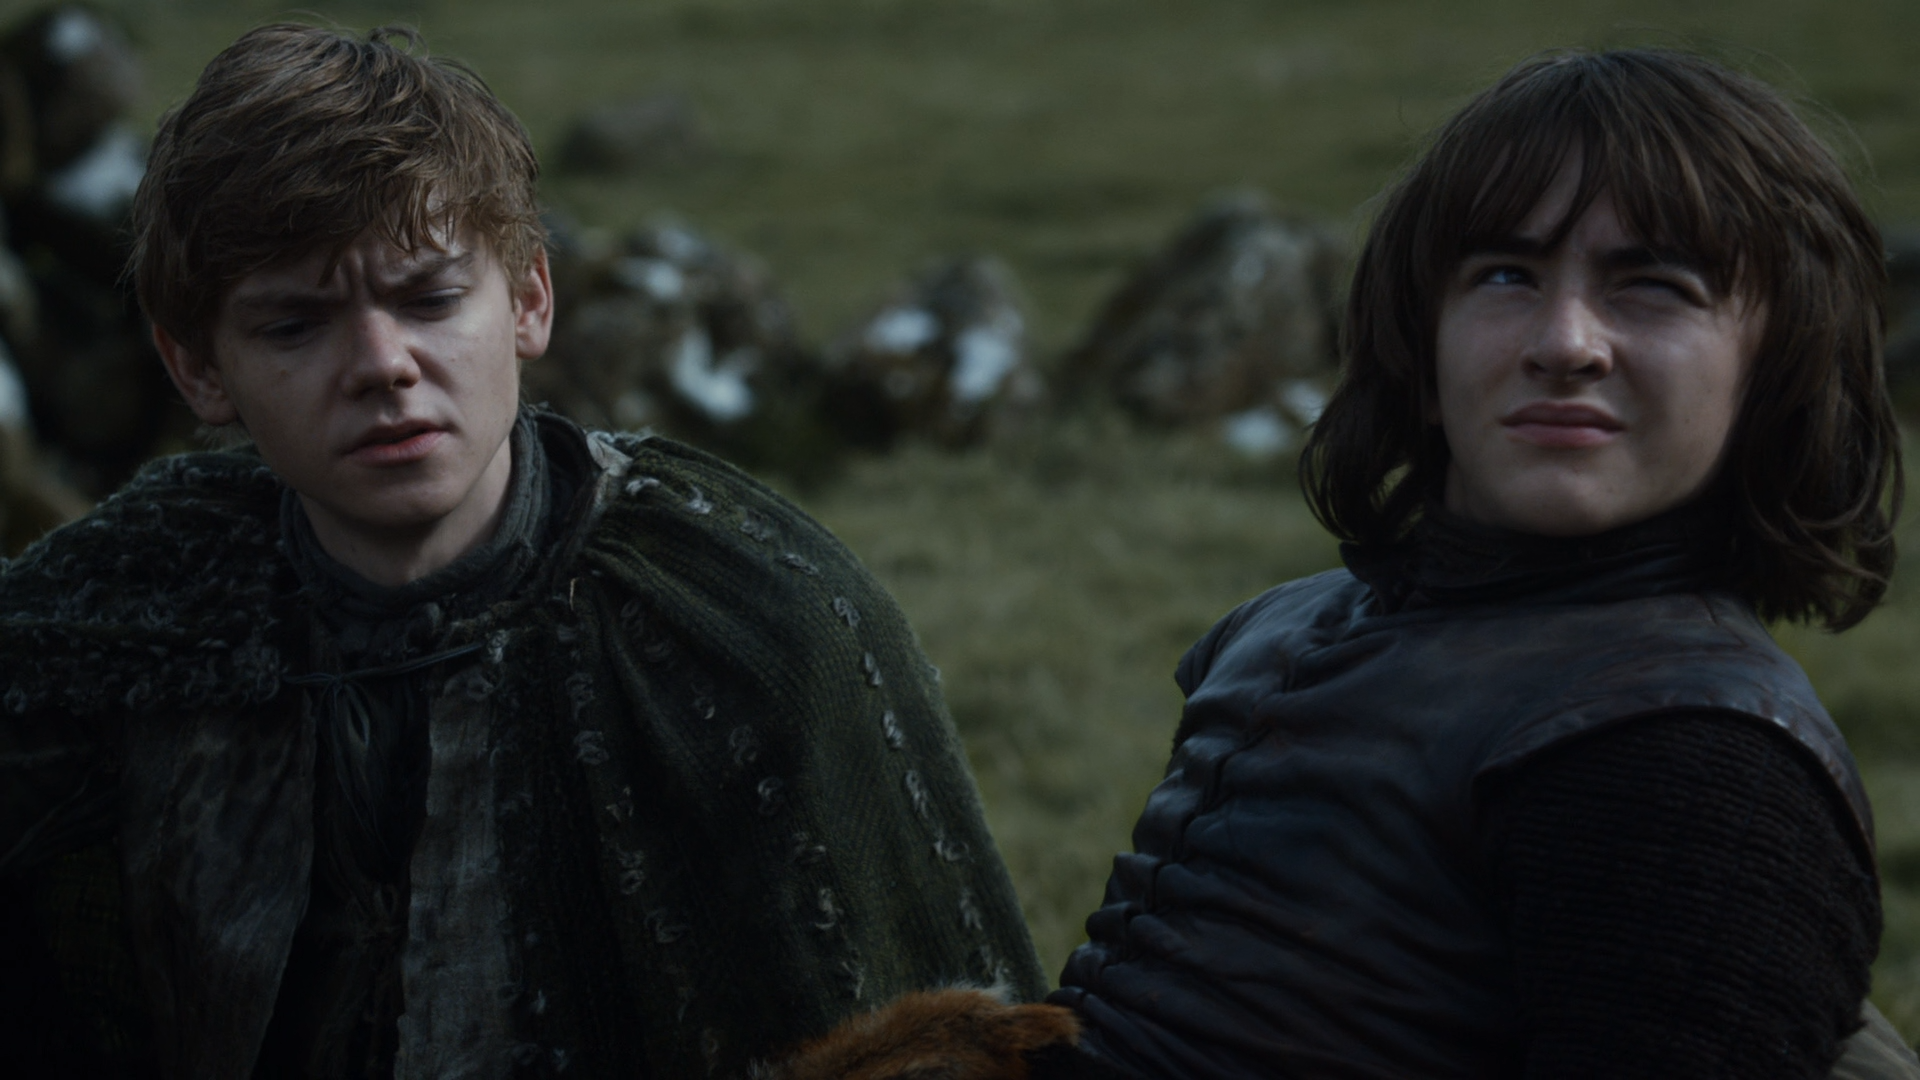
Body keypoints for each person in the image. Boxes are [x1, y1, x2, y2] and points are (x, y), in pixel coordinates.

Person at [771, 47, 1920, 1080]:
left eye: (1654, 287)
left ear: (1775, 363)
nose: (1566, 342)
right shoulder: (1285, 624)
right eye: (1505, 275)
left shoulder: (1689, 758)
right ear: (1422, 339)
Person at [0, 23, 1043, 1078]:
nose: (383, 364)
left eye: (430, 298)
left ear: (530, 300)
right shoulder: (133, 600)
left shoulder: (742, 623)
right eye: (293, 326)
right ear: (197, 370)